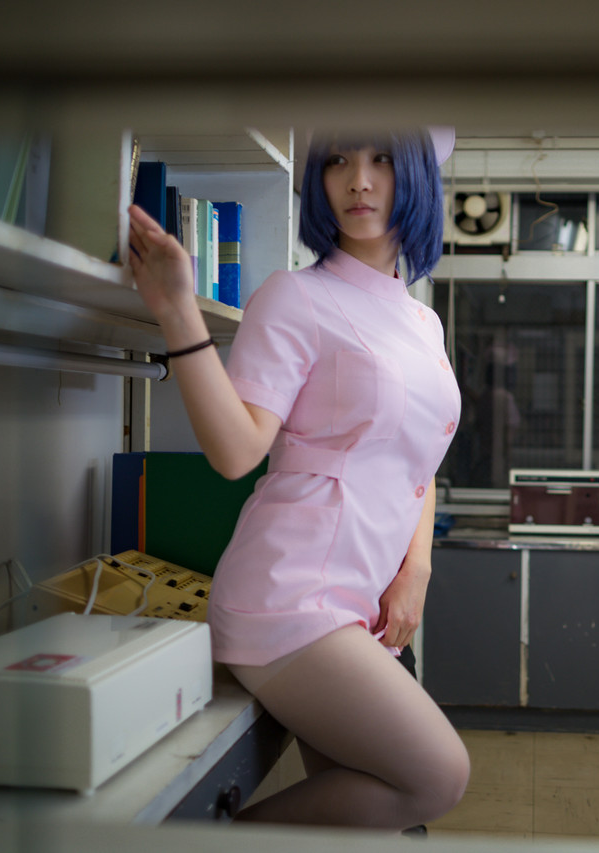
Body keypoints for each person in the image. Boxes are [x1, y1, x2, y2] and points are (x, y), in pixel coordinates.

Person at [125, 126, 469, 830]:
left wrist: (417, 569)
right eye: (338, 161)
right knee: (437, 776)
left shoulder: (423, 322)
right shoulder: (296, 296)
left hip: (363, 601)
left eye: (381, 160)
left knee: (365, 827)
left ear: (417, 177)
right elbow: (236, 452)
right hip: (291, 594)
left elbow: (418, 460)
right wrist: (177, 310)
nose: (359, 180)